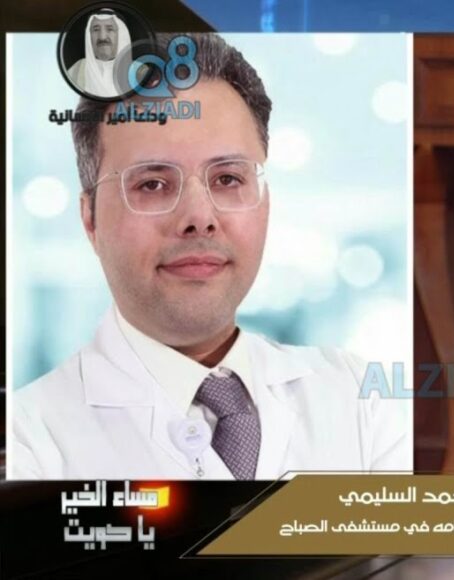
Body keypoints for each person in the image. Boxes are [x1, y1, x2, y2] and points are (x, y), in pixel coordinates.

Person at [11, 33, 412, 480]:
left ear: (265, 203)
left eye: (227, 179)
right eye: (152, 184)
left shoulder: (355, 399)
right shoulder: (27, 440)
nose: (199, 218)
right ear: (90, 219)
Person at [66, 9, 132, 98]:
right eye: (96, 30)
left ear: (121, 35)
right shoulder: (77, 69)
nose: (102, 37)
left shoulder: (139, 72)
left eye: (110, 29)